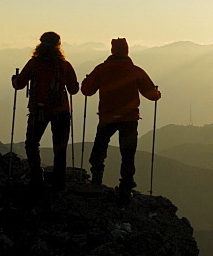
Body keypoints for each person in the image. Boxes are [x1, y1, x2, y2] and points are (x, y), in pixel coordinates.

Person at [81, 38, 161, 199]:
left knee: (99, 148)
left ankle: (97, 178)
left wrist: (85, 80)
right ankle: (126, 187)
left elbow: (87, 91)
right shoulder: (135, 70)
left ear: (112, 51)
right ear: (127, 51)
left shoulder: (101, 69)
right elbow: (152, 96)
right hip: (129, 118)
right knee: (128, 153)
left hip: (107, 117)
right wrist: (157, 93)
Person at [12, 32, 80, 191]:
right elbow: (74, 90)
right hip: (61, 111)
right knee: (60, 147)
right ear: (58, 46)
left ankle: (37, 179)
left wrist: (14, 79)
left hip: (38, 110)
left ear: (40, 45)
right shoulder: (64, 65)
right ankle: (59, 184)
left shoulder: (34, 63)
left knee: (32, 144)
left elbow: (19, 84)